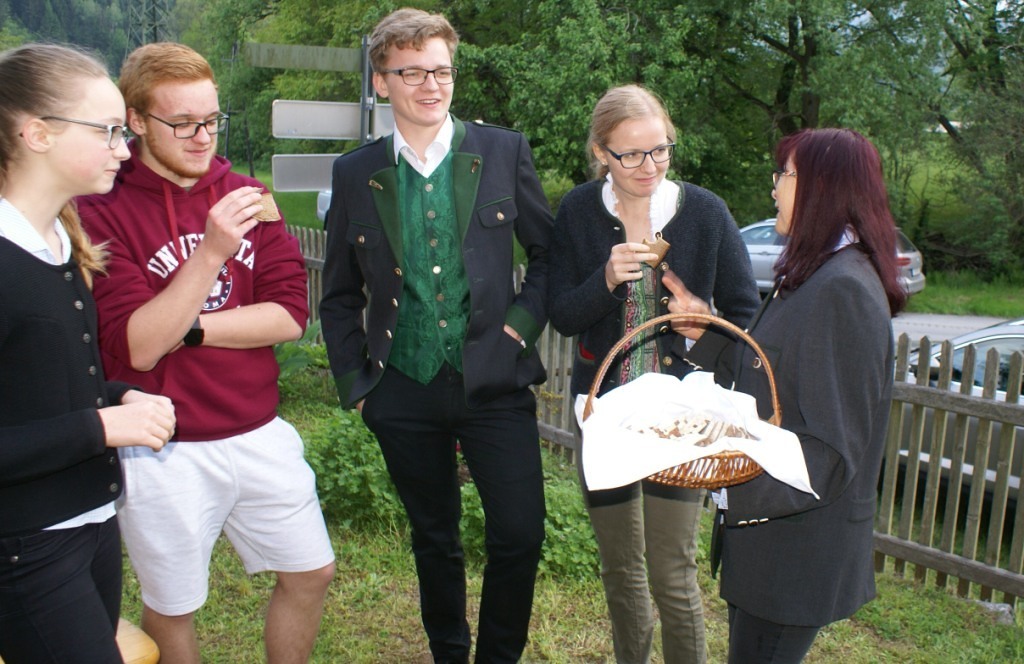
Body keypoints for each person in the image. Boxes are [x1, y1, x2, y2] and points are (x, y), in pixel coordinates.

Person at [77, 42, 335, 663]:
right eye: (183, 123)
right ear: (137, 121)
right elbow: (138, 346)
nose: (202, 138)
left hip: (258, 427)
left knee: (311, 572)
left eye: (212, 120)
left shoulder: (248, 195)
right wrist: (212, 252)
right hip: (161, 445)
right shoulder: (99, 209)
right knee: (174, 606)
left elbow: (288, 315)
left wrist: (188, 328)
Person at [319, 8, 553, 663]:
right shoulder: (356, 173)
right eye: (413, 72)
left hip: (495, 381)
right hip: (402, 387)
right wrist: (359, 384)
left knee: (520, 534)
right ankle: (449, 652)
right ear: (381, 80)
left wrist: (518, 327)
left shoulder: (501, 152)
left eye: (442, 71)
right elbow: (338, 294)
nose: (432, 85)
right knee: (434, 536)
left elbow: (549, 254)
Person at [671, 127, 907, 663]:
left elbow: (830, 454)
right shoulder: (814, 269)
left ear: (822, 185)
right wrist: (704, 331)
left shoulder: (843, 289)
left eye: (785, 174)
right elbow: (769, 369)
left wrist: (726, 481)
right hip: (770, 549)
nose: (774, 186)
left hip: (795, 558)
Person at [547, 84, 760, 664]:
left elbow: (746, 314)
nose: (649, 166)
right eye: (632, 154)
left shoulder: (705, 212)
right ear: (601, 153)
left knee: (672, 570)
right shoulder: (578, 211)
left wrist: (701, 322)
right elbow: (562, 314)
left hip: (681, 418)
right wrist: (604, 281)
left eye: (660, 150)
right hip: (605, 416)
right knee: (621, 569)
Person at [0, 43, 177, 664]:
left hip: (92, 524)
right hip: (26, 544)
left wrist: (118, 397)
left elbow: (39, 388)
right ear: (37, 134)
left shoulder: (60, 241)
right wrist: (99, 427)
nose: (123, 149)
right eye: (106, 131)